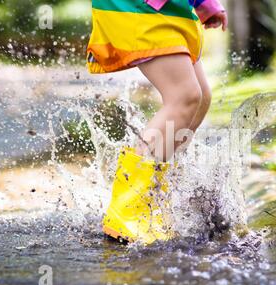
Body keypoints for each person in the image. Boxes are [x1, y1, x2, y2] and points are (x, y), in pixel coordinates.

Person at [86, 0, 228, 244]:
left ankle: (154, 194)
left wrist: (205, 4)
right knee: (184, 96)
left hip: (170, 8)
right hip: (143, 7)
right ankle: (127, 208)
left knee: (200, 97)